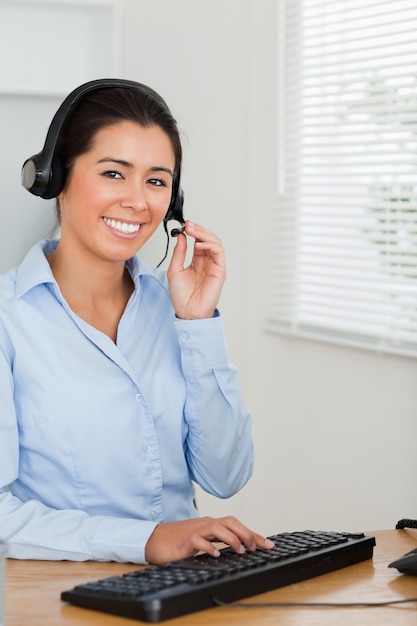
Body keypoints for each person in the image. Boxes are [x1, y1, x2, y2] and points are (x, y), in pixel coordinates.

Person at [0, 79, 274, 565]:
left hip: (181, 586)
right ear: (54, 177)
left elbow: (226, 476)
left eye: (156, 180)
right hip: (56, 594)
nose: (137, 201)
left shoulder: (173, 309)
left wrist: (198, 322)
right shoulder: (8, 318)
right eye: (113, 173)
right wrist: (145, 541)